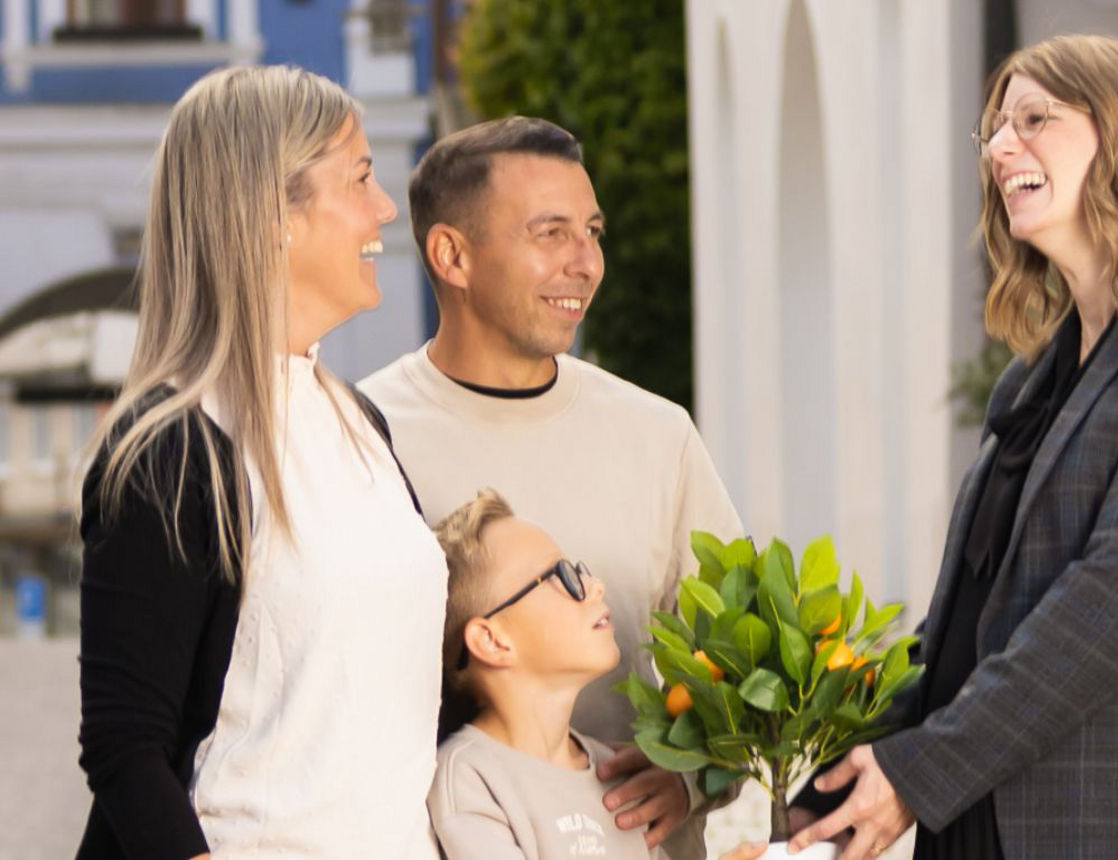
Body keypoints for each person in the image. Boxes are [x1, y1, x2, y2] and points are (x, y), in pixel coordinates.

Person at [789, 34, 1118, 858]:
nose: (1000, 147)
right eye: (992, 129)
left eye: (1034, 118)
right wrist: (796, 781)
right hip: (984, 824)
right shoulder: (1035, 381)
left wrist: (925, 770)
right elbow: (966, 630)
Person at [76, 66, 447, 858]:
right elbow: (126, 749)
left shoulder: (360, 425)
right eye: (360, 177)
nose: (385, 210)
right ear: (274, 213)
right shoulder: (173, 448)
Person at [360, 116, 743, 859]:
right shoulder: (363, 437)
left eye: (592, 231)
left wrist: (692, 773)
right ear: (452, 256)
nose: (588, 262)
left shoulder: (658, 434)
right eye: (551, 233)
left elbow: (748, 658)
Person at [428, 489, 653, 858]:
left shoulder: (615, 772)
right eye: (561, 575)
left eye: (580, 571)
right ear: (492, 641)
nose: (596, 587)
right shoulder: (470, 780)